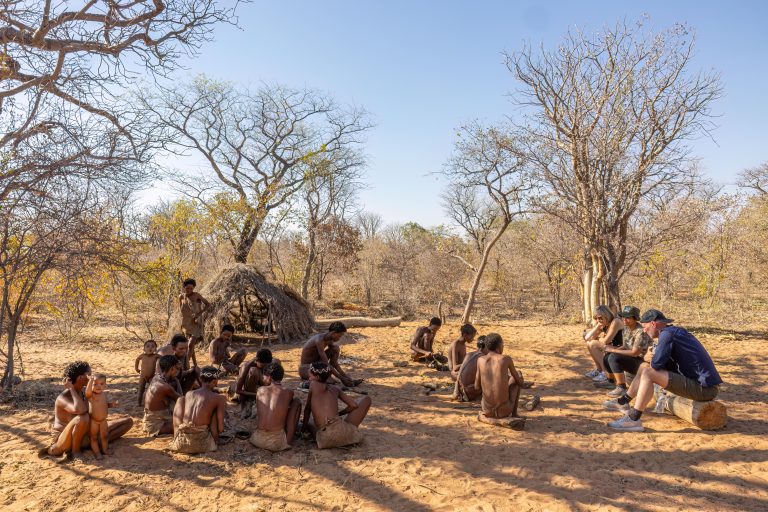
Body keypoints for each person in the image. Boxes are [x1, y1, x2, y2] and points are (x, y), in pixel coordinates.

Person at [606, 310, 723, 432]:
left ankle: (633, 419)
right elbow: (666, 365)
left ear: (653, 324)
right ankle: (624, 401)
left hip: (705, 390)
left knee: (648, 372)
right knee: (644, 368)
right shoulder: (673, 332)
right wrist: (650, 358)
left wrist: (648, 356)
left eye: (645, 327)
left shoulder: (667, 335)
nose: (644, 330)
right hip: (703, 386)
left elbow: (656, 366)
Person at [39, 361, 133, 461]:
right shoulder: (63, 398)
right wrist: (71, 389)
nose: (91, 377)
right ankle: (76, 451)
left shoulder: (85, 392)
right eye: (89, 374)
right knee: (83, 418)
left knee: (127, 422)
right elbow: (81, 410)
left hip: (85, 436)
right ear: (80, 378)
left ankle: (94, 443)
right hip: (63, 442)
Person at [301, 362, 371, 449]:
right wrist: (339, 414)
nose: (309, 378)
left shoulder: (314, 385)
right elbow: (353, 405)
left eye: (310, 376)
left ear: (317, 377)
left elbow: (307, 409)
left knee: (310, 421)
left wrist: (302, 430)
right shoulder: (336, 388)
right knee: (366, 399)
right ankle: (349, 433)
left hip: (326, 438)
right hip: (344, 433)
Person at [475, 333, 529, 429]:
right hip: (504, 410)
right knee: (518, 375)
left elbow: (477, 387)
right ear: (499, 345)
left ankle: (493, 413)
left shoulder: (480, 360)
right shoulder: (505, 359)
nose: (503, 346)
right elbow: (520, 383)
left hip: (487, 410)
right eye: (503, 344)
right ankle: (514, 414)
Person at [169, 366, 226, 454]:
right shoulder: (219, 398)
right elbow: (221, 428)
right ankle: (215, 442)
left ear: (200, 379)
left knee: (181, 399)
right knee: (213, 410)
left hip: (182, 442)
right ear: (215, 381)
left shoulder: (189, 394)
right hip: (203, 444)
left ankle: (175, 437)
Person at [249, 362, 301, 452]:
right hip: (276, 443)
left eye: (263, 376)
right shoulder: (288, 392)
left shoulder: (260, 390)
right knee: (296, 402)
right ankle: (288, 441)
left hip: (257, 439)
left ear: (269, 377)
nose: (263, 378)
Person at [601, 306, 652, 396]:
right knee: (608, 356)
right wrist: (613, 350)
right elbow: (625, 346)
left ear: (635, 319)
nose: (624, 319)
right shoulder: (626, 328)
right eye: (623, 317)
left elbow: (635, 353)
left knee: (613, 357)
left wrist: (614, 350)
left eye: (628, 317)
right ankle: (610, 381)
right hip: (632, 358)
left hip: (642, 362)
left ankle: (621, 387)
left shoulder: (640, 332)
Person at [298, 322, 362, 387]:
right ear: (333, 333)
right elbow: (326, 364)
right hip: (306, 368)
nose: (339, 338)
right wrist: (342, 378)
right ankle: (325, 377)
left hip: (317, 365)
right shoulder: (319, 340)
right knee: (324, 379)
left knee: (335, 348)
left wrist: (345, 377)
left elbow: (334, 363)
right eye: (339, 336)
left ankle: (328, 376)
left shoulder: (329, 340)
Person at [584, 305, 624, 385]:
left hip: (622, 348)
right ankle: (599, 370)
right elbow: (587, 338)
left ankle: (606, 373)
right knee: (589, 343)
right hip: (611, 347)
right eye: (596, 318)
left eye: (600, 318)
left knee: (594, 344)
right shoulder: (604, 324)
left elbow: (606, 341)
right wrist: (597, 326)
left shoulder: (615, 321)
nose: (598, 320)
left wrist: (598, 339)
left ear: (607, 315)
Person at [143, 355, 182, 437]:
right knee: (185, 425)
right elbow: (181, 399)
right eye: (177, 368)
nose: (178, 371)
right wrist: (177, 381)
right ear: (172, 369)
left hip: (154, 418)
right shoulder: (164, 387)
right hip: (155, 424)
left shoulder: (158, 377)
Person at [234, 348, 276, 419]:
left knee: (276, 363)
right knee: (254, 371)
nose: (265, 367)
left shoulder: (266, 363)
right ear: (256, 360)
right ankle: (251, 401)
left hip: (260, 388)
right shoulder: (246, 367)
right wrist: (256, 395)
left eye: (266, 365)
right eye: (263, 365)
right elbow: (238, 390)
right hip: (249, 392)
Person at [178, 278, 210, 367]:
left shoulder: (197, 295)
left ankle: (185, 364)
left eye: (191, 288)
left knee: (190, 344)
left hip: (196, 323)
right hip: (186, 324)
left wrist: (199, 314)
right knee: (190, 346)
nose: (189, 290)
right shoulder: (181, 297)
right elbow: (181, 310)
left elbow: (208, 304)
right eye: (187, 288)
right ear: (184, 288)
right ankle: (195, 364)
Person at [85, 373, 118, 459]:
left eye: (101, 384)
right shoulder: (91, 396)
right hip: (94, 421)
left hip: (103, 420)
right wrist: (90, 380)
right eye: (95, 384)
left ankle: (105, 449)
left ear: (105, 386)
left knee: (104, 436)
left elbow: (105, 405)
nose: (98, 386)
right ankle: (97, 452)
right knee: (94, 438)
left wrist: (111, 405)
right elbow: (87, 393)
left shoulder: (103, 395)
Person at [452, 335, 488, 401]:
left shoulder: (469, 354)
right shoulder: (483, 358)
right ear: (486, 347)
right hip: (469, 393)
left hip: (460, 391)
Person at [135, 339, 159, 406]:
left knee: (152, 390)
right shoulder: (142, 356)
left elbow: (163, 359)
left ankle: (150, 402)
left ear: (155, 349)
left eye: (153, 346)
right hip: (142, 376)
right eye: (147, 346)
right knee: (140, 390)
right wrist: (136, 368)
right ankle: (138, 403)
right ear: (144, 349)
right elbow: (137, 360)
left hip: (152, 376)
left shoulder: (156, 356)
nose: (150, 348)